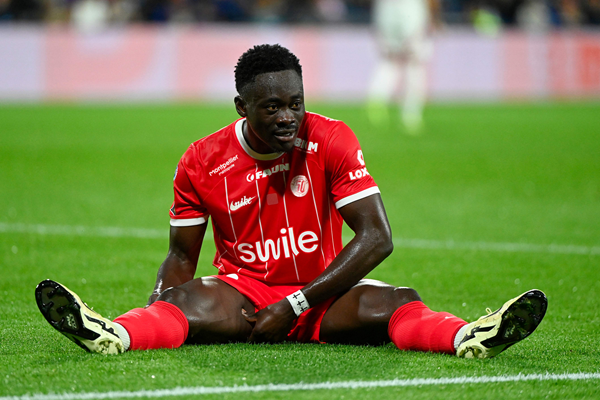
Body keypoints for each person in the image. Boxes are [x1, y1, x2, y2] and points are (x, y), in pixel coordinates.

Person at [35, 44, 547, 358]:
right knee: (182, 303)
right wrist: (156, 315)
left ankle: (470, 339)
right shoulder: (200, 159)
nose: (288, 117)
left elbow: (377, 237)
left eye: (296, 103)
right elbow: (182, 257)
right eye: (272, 107)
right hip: (244, 297)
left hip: (322, 292)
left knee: (398, 300)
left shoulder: (331, 139)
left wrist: (298, 302)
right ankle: (113, 335)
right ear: (242, 107)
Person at [366, 0, 440, 133]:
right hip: (411, 8)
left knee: (389, 60)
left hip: (386, 8)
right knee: (415, 63)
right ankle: (411, 114)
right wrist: (435, 16)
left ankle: (377, 98)